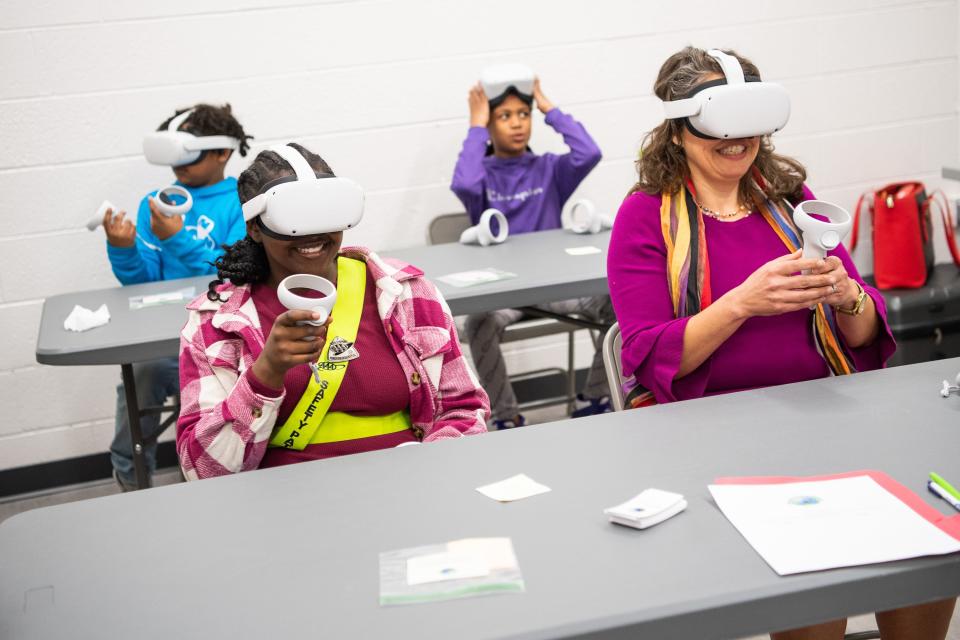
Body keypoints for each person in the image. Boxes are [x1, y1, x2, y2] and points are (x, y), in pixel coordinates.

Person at [607, 45, 955, 640]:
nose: (738, 141)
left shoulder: (789, 197)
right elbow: (647, 355)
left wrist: (848, 296)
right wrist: (742, 303)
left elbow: (866, 335)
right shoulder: (646, 218)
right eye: (721, 126)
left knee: (932, 551)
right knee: (817, 565)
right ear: (680, 127)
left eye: (750, 126)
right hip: (719, 435)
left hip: (828, 414)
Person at [176, 143, 489, 478]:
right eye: (293, 217)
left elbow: (465, 409)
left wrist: (425, 469)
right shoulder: (217, 322)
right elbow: (202, 469)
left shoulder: (404, 293)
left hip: (410, 487)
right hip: (285, 504)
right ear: (255, 226)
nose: (312, 232)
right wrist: (265, 373)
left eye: (327, 212)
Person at [450, 74, 614, 429]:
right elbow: (462, 183)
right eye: (504, 116)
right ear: (490, 123)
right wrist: (476, 126)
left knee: (617, 303)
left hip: (555, 292)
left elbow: (590, 152)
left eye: (523, 114)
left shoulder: (550, 169)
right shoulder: (481, 178)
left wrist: (547, 105)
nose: (517, 123)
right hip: (505, 298)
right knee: (479, 322)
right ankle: (506, 417)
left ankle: (597, 397)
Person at [103, 103, 252, 490]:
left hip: (224, 334)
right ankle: (131, 471)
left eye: (190, 155)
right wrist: (123, 249)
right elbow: (144, 282)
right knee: (141, 374)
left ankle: (226, 466)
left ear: (223, 152)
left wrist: (176, 238)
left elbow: (236, 272)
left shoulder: (242, 201)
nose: (178, 167)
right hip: (170, 336)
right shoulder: (158, 201)